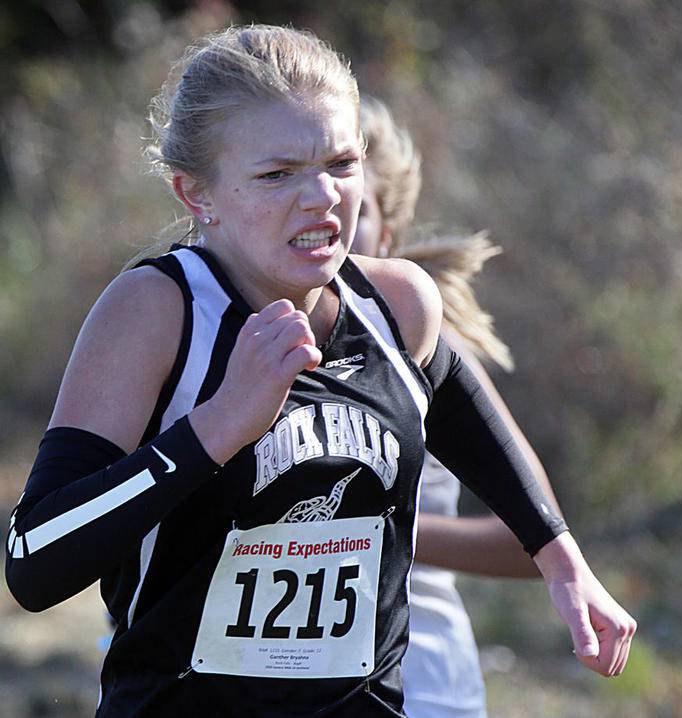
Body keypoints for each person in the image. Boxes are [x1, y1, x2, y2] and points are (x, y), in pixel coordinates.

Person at [5, 25, 636, 717]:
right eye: (277, 174)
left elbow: (483, 443)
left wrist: (564, 565)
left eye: (341, 163)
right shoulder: (157, 311)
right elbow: (34, 561)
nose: (322, 197)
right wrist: (216, 428)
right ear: (196, 194)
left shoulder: (398, 307)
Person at [354, 97, 561, 718]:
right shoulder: (211, 331)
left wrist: (357, 526)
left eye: (355, 206)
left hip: (419, 678)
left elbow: (530, 538)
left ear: (386, 233)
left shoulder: (425, 347)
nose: (322, 215)